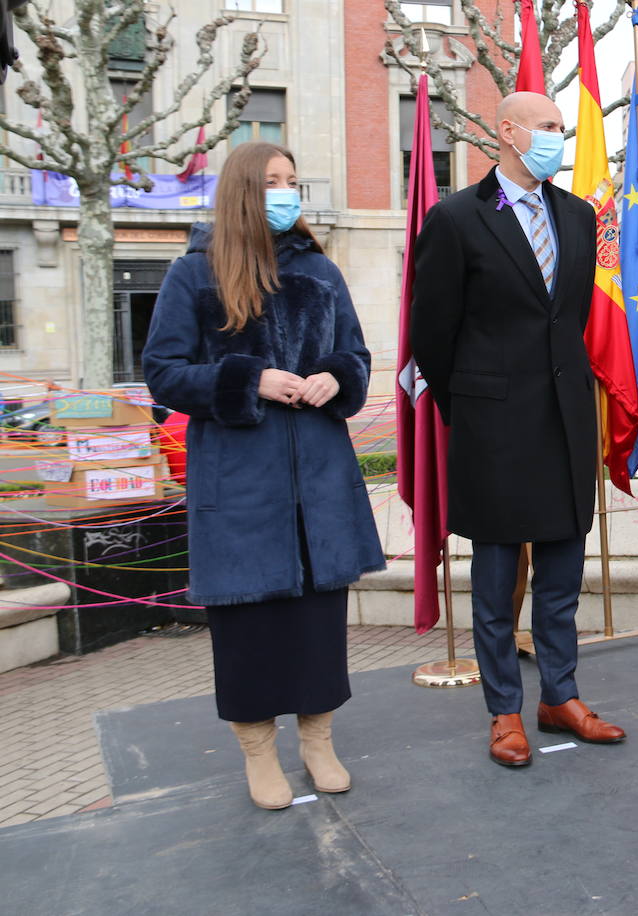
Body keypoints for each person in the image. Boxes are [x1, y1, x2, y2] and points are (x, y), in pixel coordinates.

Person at [142, 142, 385, 809]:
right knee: (248, 630)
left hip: (320, 480)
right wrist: (251, 380)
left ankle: (318, 739)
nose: (286, 192)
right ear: (244, 189)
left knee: (317, 624)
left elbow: (356, 358)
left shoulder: (321, 272)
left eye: (293, 181)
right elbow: (163, 372)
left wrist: (336, 377)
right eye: (273, 181)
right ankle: (256, 750)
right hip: (240, 483)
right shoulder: (195, 273)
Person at [410, 91, 625, 767]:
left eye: (562, 128)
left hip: (566, 422)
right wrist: (472, 403)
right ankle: (504, 710)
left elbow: (571, 321)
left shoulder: (579, 216)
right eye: (548, 127)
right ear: (507, 132)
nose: (558, 138)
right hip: (494, 427)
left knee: (562, 576)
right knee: (498, 584)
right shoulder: (456, 218)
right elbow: (433, 333)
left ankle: (559, 695)